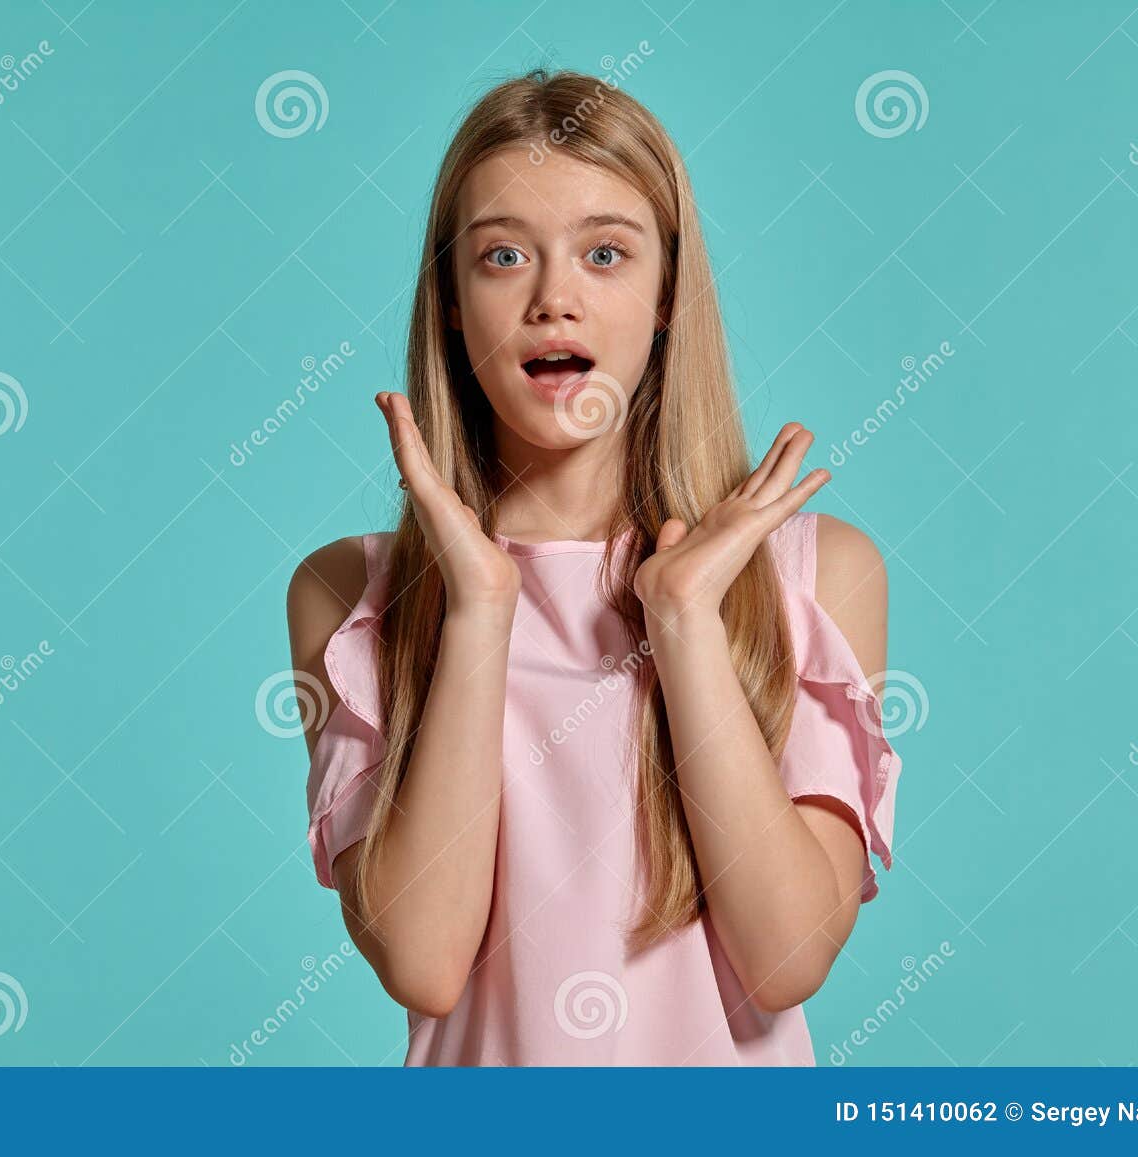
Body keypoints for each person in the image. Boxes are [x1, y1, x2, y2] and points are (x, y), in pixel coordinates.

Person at [285, 68, 903, 1066]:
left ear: (665, 296)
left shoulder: (813, 571)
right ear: (449, 299)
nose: (553, 299)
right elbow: (423, 963)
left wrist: (685, 622)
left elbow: (787, 958)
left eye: (605, 253)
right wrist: (480, 610)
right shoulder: (348, 592)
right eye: (501, 256)